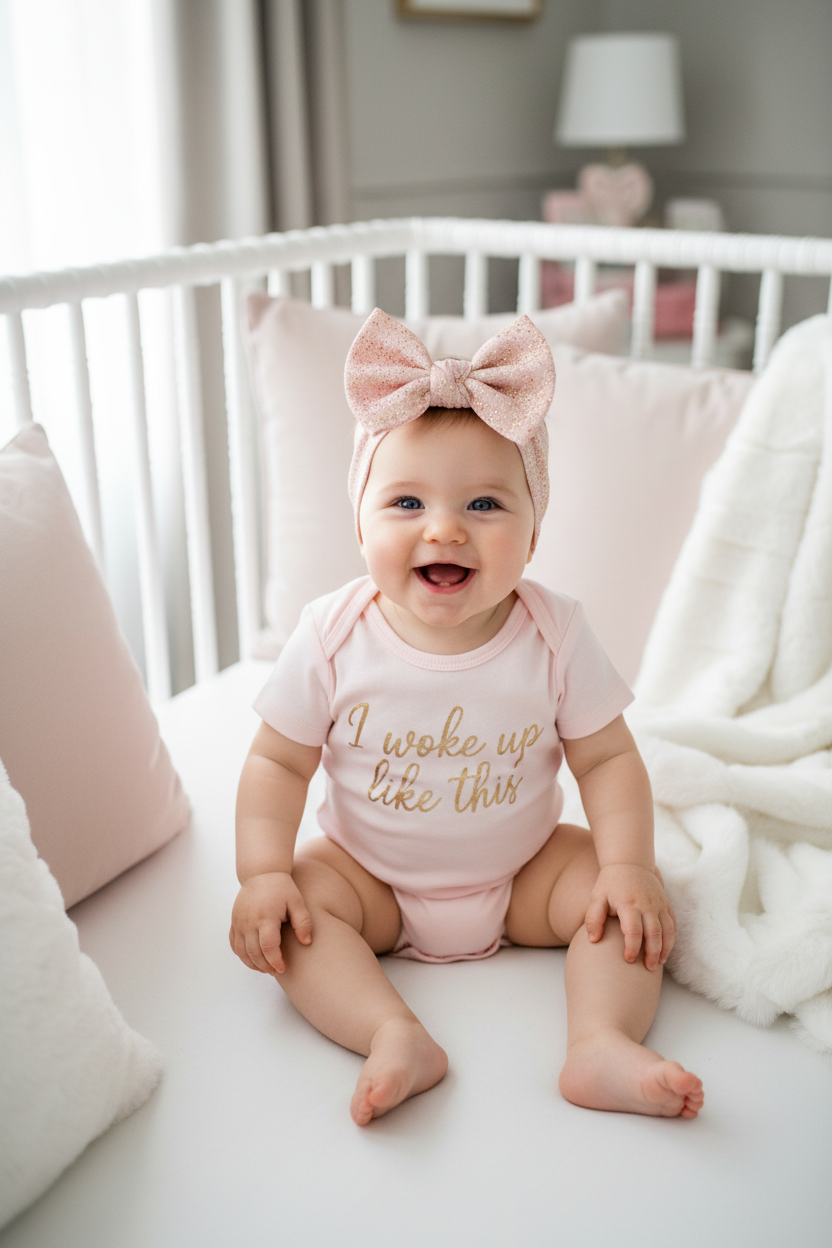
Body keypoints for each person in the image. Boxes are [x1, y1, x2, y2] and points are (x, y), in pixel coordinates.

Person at [230, 309, 704, 1127]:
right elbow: (277, 764)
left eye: (484, 503)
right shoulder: (332, 635)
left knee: (619, 896)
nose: (443, 528)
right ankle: (392, 1033)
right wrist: (263, 873)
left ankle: (600, 1041)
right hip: (370, 879)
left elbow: (607, 761)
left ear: (534, 530)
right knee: (301, 913)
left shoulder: (554, 630)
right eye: (406, 501)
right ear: (361, 523)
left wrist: (628, 863)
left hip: (525, 876)